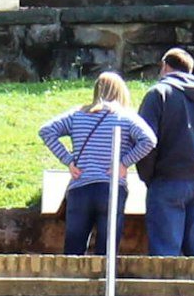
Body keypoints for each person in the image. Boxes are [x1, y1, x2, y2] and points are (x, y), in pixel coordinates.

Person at [38, 70, 156, 258]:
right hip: (111, 188)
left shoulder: (77, 114)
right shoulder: (125, 116)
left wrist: (68, 161)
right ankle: (103, 284)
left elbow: (46, 131)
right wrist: (124, 164)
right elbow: (149, 140)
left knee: (74, 250)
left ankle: (73, 283)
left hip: (80, 186)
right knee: (107, 250)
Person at [134, 48, 194, 259]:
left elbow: (143, 142)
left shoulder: (158, 94)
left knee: (164, 255)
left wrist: (149, 176)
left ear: (164, 66)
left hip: (165, 181)